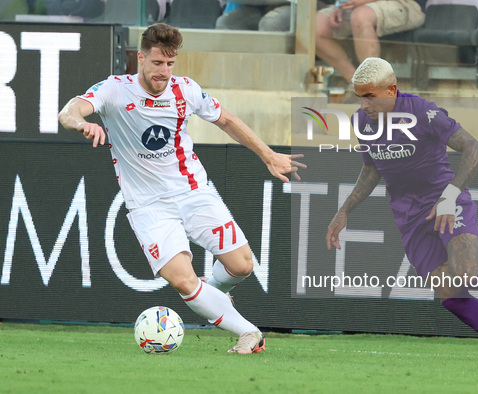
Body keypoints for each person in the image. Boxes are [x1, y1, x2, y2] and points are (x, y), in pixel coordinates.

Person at [58, 23, 305, 354]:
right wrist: (82, 122)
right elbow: (69, 111)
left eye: (170, 64)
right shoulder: (115, 90)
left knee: (243, 265)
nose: (164, 72)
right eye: (157, 63)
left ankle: (214, 294)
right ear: (140, 57)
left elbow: (227, 120)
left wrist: (269, 155)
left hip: (193, 192)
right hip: (148, 206)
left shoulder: (185, 90)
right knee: (182, 279)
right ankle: (248, 332)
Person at [325, 57, 478, 363]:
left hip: (445, 200)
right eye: (359, 96)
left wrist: (451, 194)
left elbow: (474, 148)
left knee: (466, 272)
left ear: (391, 89)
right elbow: (371, 168)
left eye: (370, 96)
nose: (364, 105)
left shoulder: (423, 113)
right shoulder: (361, 122)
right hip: (409, 217)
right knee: (449, 295)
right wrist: (344, 210)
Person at [316, 0, 425, 84]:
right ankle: (355, 84)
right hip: (357, 6)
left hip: (404, 4)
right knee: (314, 26)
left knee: (361, 16)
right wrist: (340, 5)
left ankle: (373, 85)